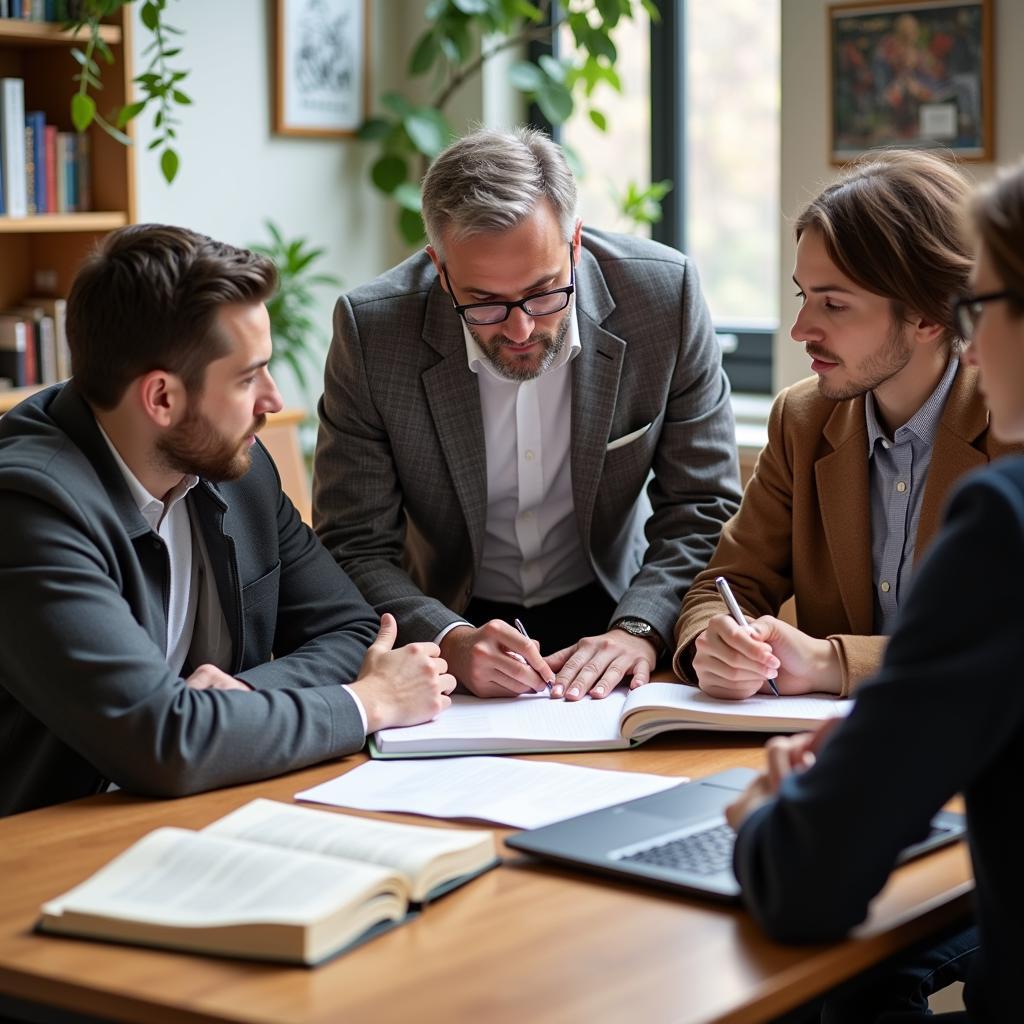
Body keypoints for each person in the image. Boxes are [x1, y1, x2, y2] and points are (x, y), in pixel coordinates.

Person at [0, 224, 455, 818]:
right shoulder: (28, 506)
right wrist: (368, 704)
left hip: (205, 811)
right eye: (247, 378)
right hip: (46, 847)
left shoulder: (234, 466)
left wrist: (243, 696)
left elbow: (355, 631)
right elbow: (163, 741)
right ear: (161, 398)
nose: (272, 399)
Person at [726, 158, 1024, 1022]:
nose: (973, 337)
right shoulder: (804, 417)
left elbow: (805, 882)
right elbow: (728, 577)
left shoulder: (1005, 517)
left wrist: (761, 818)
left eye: (985, 303)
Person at [314, 126, 741, 702]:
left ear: (576, 243)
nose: (520, 329)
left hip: (617, 603)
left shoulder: (664, 299)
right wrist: (448, 637)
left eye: (544, 293)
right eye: (485, 303)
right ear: (440, 268)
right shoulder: (373, 332)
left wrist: (642, 627)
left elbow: (702, 506)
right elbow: (354, 543)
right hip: (448, 616)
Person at [673, 149, 1015, 701]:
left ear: (928, 316)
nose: (801, 328)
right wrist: (714, 644)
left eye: (833, 304)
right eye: (802, 296)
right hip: (822, 745)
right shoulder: (801, 420)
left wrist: (833, 662)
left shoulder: (1012, 426)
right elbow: (725, 585)